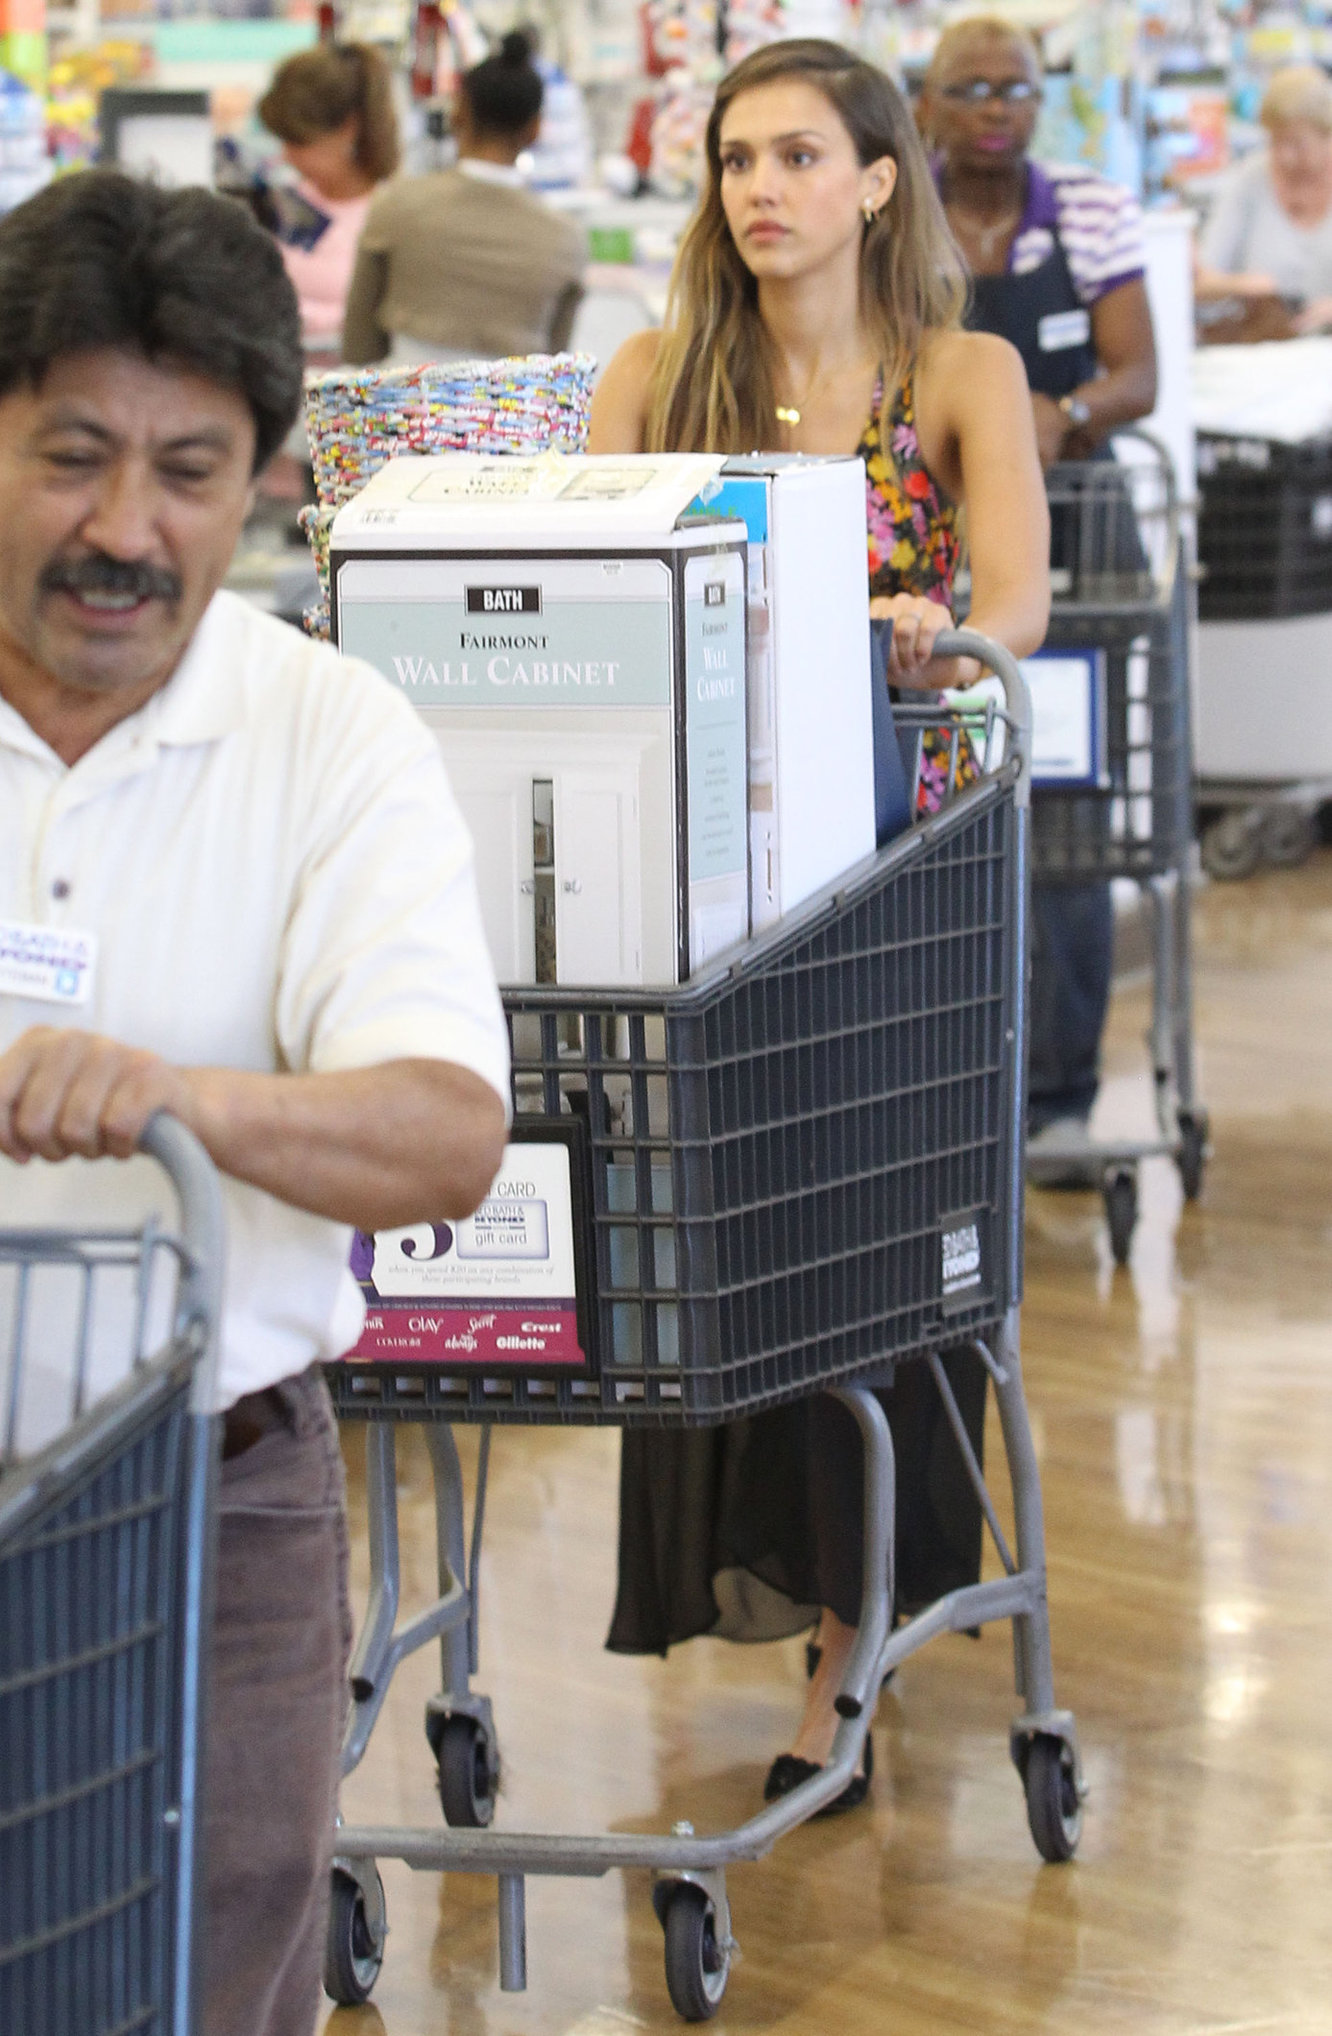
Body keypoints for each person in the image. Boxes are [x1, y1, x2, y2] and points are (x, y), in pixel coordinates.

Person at [0, 171, 509, 2036]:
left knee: (193, 1992)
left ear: (259, 485)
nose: (123, 527)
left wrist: (173, 1099)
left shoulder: (327, 736)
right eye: (71, 456)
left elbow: (445, 1127)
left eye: (189, 470)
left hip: (208, 1526)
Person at [589, 38, 1048, 1809]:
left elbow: (1011, 592)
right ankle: (799, 1605)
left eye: (794, 155)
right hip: (697, 879)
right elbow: (587, 561)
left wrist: (935, 617)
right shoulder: (653, 371)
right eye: (731, 159)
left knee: (863, 1250)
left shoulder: (960, 372)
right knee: (717, 1246)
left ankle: (849, 1647)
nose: (756, 188)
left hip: (890, 880)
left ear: (875, 180)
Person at [919, 16, 1158, 1181]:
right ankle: (942, 1086)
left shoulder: (1093, 211)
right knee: (930, 816)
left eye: (1015, 88)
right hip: (926, 517)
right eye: (970, 88)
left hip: (1079, 523)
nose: (995, 108)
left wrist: (1080, 412)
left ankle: (1060, 1090)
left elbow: (1139, 370)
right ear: (925, 104)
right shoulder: (892, 211)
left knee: (1063, 799)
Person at [342, 30, 586, 366]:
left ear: (457, 114)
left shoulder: (397, 206)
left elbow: (359, 347)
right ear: (535, 129)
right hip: (510, 414)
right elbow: (555, 371)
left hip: (403, 407)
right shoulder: (565, 239)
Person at [257, 41, 401, 347]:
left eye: (298, 141)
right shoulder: (280, 204)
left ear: (349, 128)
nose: (286, 156)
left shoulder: (394, 219)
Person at [1196, 66, 1332, 338]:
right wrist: (1240, 286)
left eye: (1297, 143)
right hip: (1260, 361)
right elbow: (1202, 281)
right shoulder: (1249, 181)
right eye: (1275, 141)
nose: (1284, 156)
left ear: (1327, 135)